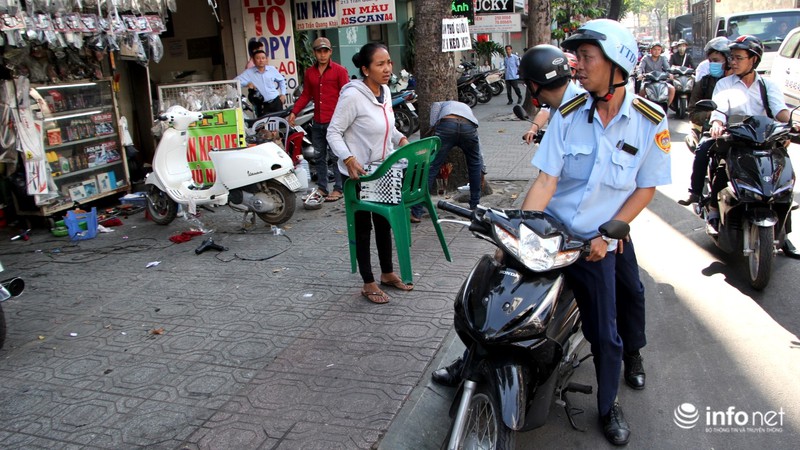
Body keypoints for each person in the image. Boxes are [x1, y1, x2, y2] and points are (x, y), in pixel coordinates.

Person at [523, 19, 671, 445]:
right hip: (552, 235)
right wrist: (520, 228)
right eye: (577, 58)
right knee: (504, 296)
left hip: (596, 244)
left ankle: (609, 405)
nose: (578, 67)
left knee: (606, 333)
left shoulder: (649, 121)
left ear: (617, 63)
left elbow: (646, 187)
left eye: (586, 58)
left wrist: (610, 234)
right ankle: (469, 367)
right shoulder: (568, 114)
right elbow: (546, 181)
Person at [678, 35, 799, 256]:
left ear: (753, 60)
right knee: (709, 153)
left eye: (738, 58)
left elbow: (779, 111)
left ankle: (785, 234)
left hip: (763, 138)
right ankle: (709, 206)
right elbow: (720, 109)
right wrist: (716, 123)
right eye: (731, 58)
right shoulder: (724, 83)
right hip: (734, 137)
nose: (732, 62)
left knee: (783, 174)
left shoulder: (767, 84)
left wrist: (791, 119)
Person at [327, 43, 411, 304]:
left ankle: (386, 273)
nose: (387, 69)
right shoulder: (352, 95)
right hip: (358, 173)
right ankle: (368, 282)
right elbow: (333, 132)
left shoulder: (385, 91)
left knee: (383, 225)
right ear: (365, 69)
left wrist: (401, 139)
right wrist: (349, 158)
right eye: (380, 64)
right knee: (363, 228)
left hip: (383, 169)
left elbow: (387, 128)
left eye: (389, 63)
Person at [288, 37, 350, 208]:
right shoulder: (310, 72)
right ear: (314, 53)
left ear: (330, 52)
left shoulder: (339, 71)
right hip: (318, 120)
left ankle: (339, 187)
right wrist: (294, 111)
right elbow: (306, 94)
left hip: (335, 121)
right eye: (319, 51)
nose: (322, 55)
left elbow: (347, 95)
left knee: (336, 155)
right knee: (319, 155)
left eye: (325, 51)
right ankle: (322, 187)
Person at [409, 101, 483, 223]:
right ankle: (475, 206)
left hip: (447, 125)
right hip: (468, 127)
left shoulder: (438, 104)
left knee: (433, 166)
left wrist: (434, 131)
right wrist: (483, 169)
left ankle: (417, 211)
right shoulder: (466, 109)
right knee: (474, 165)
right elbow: (478, 144)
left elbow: (433, 123)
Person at [679, 37, 730, 178]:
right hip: (712, 130)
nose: (713, 64)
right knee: (703, 150)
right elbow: (693, 112)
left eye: (717, 60)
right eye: (711, 61)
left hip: (740, 131)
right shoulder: (704, 83)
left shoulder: (741, 81)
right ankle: (695, 192)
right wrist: (710, 115)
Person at [520, 45, 584, 145]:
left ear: (533, 85)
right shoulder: (557, 105)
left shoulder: (583, 108)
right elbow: (545, 112)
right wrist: (533, 130)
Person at [237, 49, 286, 116]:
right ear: (253, 61)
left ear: (266, 59)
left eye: (263, 58)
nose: (261, 60)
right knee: (263, 125)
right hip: (262, 106)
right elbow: (235, 82)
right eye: (258, 58)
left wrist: (283, 94)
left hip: (276, 102)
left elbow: (281, 80)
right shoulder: (248, 73)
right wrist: (246, 84)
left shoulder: (272, 69)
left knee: (281, 124)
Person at [637, 42, 675, 107]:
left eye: (658, 49)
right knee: (641, 90)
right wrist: (640, 74)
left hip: (660, 81)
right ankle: (642, 108)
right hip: (648, 81)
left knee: (672, 89)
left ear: (661, 50)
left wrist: (669, 74)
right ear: (650, 50)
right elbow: (640, 68)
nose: (656, 51)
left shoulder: (663, 58)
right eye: (654, 49)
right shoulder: (645, 58)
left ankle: (667, 106)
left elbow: (668, 69)